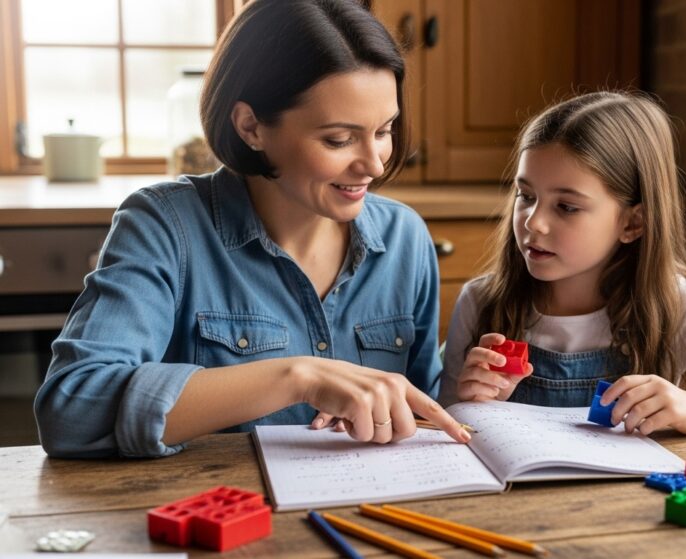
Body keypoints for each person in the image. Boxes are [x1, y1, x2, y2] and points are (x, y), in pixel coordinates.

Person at [34, 0, 470, 459]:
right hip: (218, 517)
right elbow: (73, 409)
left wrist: (467, 390)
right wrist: (299, 378)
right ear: (251, 126)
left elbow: (420, 405)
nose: (375, 163)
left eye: (384, 130)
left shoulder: (405, 237)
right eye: (339, 140)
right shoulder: (164, 225)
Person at [439, 92, 686, 436]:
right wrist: (474, 404)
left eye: (566, 206)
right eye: (526, 196)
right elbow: (451, 426)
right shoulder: (481, 301)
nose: (533, 222)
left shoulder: (674, 308)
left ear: (633, 222)